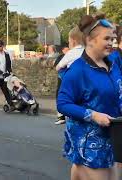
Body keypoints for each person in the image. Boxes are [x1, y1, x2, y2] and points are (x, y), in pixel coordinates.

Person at [57, 14, 120, 180]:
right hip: (90, 141)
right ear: (90, 40)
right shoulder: (77, 70)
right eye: (106, 38)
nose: (111, 43)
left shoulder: (114, 61)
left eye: (113, 38)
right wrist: (93, 115)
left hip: (112, 135)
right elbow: (63, 104)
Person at [55, 27, 85, 125]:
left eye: (68, 41)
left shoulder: (71, 53)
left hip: (73, 85)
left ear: (73, 41)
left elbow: (58, 67)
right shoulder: (87, 51)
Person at [0, 40, 15, 112]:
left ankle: (11, 105)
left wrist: (9, 71)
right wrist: (1, 72)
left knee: (6, 91)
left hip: (3, 77)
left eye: (0, 46)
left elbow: (8, 64)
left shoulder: (6, 54)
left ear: (3, 46)